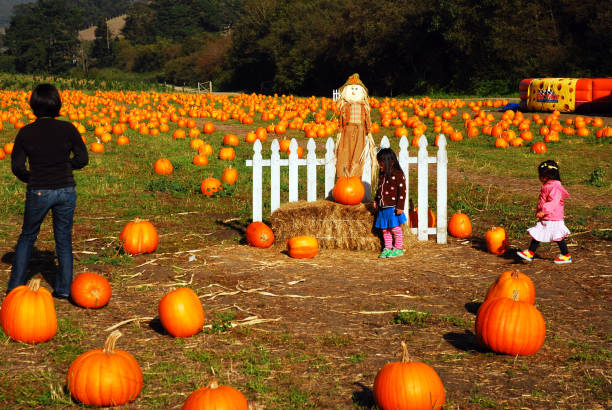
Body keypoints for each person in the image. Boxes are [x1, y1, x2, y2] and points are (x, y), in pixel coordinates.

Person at [8, 83, 89, 298]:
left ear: (33, 106)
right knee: (63, 238)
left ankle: (15, 285)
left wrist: (29, 177)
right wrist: (66, 166)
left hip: (39, 190)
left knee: (28, 236)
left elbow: (16, 166)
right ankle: (63, 289)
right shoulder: (68, 129)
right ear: (57, 105)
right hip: (66, 190)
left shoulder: (26, 132)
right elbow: (83, 158)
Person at [517, 160, 571, 264]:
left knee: (556, 237)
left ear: (549, 176)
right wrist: (539, 210)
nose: (539, 177)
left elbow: (553, 202)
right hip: (548, 216)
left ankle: (565, 255)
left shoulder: (554, 187)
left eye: (541, 175)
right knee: (540, 234)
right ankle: (531, 253)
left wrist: (543, 211)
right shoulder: (548, 185)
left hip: (553, 216)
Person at [335, 73, 377, 180]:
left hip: (360, 131)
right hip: (346, 131)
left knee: (358, 152)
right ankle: (343, 176)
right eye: (351, 88)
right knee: (345, 151)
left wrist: (369, 132)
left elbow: (367, 119)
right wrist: (339, 132)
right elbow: (341, 121)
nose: (353, 91)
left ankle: (355, 176)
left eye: (356, 89)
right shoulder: (345, 106)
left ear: (361, 91)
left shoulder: (364, 107)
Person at [373, 148, 407, 258]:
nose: (380, 166)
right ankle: (387, 248)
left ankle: (398, 248)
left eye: (381, 164)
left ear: (390, 162)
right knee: (385, 229)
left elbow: (402, 192)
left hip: (392, 207)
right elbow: (379, 189)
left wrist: (400, 206)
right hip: (383, 207)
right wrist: (376, 200)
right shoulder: (382, 174)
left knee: (395, 228)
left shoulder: (397, 174)